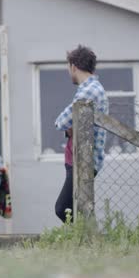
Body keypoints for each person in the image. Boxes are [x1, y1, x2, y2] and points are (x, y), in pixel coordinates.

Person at [54, 45, 108, 223]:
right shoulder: (90, 88)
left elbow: (61, 122)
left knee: (62, 208)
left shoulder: (89, 90)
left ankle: (87, 238)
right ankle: (86, 241)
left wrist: (68, 127)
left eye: (69, 68)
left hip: (83, 160)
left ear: (74, 66)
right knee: (76, 208)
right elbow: (70, 123)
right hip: (78, 158)